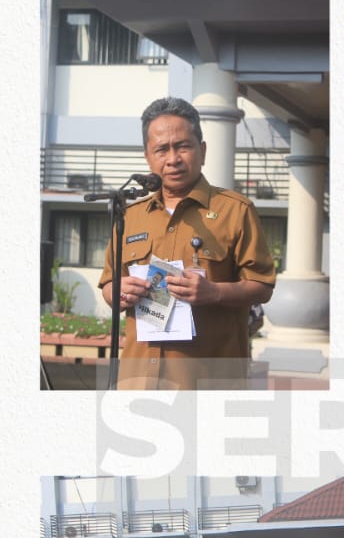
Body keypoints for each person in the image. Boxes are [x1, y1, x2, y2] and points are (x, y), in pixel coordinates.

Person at [98, 96, 276, 389]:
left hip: (206, 384)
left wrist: (214, 292)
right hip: (138, 382)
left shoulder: (236, 210)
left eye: (183, 146)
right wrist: (118, 291)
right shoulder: (129, 216)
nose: (173, 159)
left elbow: (263, 286)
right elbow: (108, 285)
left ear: (202, 151)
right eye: (161, 149)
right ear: (148, 157)